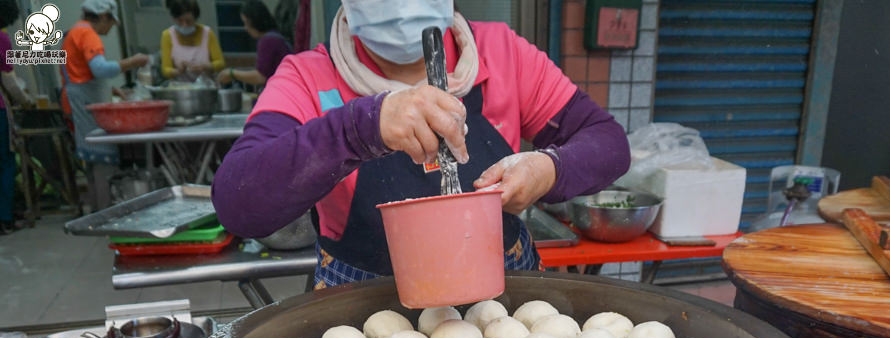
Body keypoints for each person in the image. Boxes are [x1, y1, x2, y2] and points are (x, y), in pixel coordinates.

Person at [212, 0, 630, 289]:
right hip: (364, 309)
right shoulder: (309, 77)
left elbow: (607, 142)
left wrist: (547, 168)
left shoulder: (501, 54)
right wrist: (362, 127)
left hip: (505, 299)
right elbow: (239, 201)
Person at [61, 0, 148, 211]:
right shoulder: (87, 33)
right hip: (88, 105)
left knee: (91, 161)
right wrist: (133, 61)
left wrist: (110, 90)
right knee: (102, 160)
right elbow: (100, 69)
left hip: (79, 101)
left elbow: (82, 72)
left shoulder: (74, 31)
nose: (110, 28)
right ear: (102, 16)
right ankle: (107, 214)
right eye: (110, 22)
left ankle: (97, 213)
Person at [0, 0, 34, 233]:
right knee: (5, 163)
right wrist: (26, 101)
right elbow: (9, 80)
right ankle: (5, 218)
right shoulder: (1, 39)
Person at [217, 0, 291, 87]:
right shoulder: (275, 36)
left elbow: (260, 77)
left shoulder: (268, 41)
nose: (246, 28)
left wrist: (232, 73)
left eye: (246, 23)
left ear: (255, 21)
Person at [160, 0, 225, 81]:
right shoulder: (167, 36)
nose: (184, 25)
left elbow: (221, 63)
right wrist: (178, 71)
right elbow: (165, 69)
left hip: (206, 87)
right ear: (174, 18)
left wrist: (206, 66)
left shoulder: (207, 33)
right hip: (180, 88)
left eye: (188, 21)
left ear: (196, 18)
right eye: (180, 21)